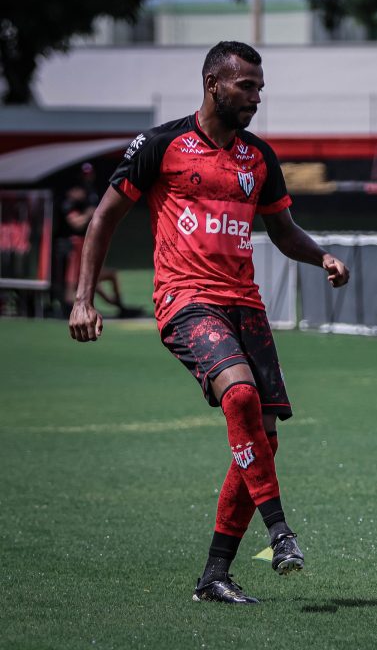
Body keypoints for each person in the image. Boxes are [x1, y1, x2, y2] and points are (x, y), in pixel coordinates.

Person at [68, 41, 350, 605]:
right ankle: (281, 532)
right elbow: (102, 219)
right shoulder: (161, 144)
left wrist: (321, 255)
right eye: (246, 86)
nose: (256, 96)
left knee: (264, 441)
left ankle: (214, 575)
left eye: (260, 87)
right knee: (240, 395)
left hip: (245, 306)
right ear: (213, 82)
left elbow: (283, 229)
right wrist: (82, 299)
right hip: (185, 299)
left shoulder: (259, 158)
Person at [61, 163, 140, 317]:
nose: (88, 177)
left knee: (101, 277)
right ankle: (68, 308)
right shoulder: (74, 195)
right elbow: (75, 222)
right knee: (75, 279)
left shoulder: (91, 194)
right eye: (85, 174)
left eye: (89, 174)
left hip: (86, 241)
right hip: (76, 242)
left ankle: (120, 307)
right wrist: (90, 215)